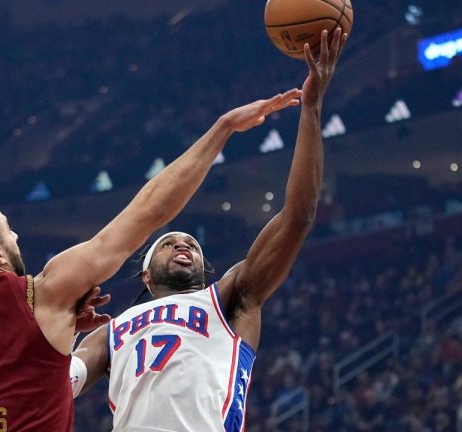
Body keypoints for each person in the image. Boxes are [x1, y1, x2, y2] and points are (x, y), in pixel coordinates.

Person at [0, 5, 302, 432]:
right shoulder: (46, 294)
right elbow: (150, 210)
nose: (16, 234)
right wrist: (220, 131)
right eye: (8, 230)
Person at [72, 28, 347, 431]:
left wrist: (311, 107)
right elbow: (60, 382)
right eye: (168, 242)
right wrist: (60, 332)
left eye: (191, 244)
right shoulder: (109, 331)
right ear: (146, 275)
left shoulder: (233, 297)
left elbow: (298, 216)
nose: (183, 243)